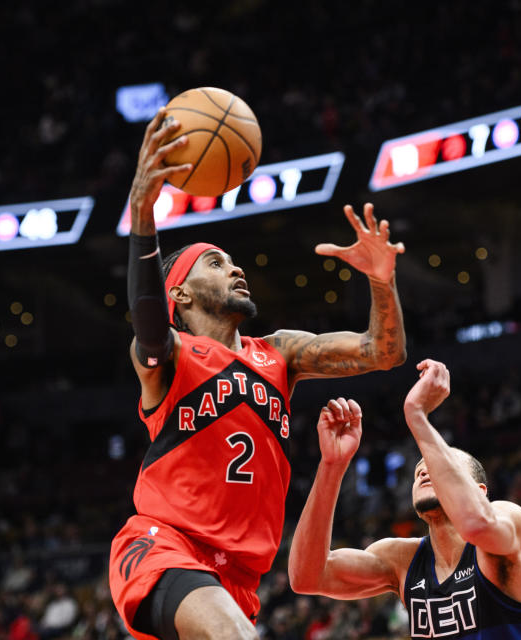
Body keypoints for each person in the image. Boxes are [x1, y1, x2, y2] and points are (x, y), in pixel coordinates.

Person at [109, 107, 408, 640]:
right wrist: (142, 208)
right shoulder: (167, 355)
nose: (237, 268)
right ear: (179, 292)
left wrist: (381, 283)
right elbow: (148, 317)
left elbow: (380, 352)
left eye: (234, 262)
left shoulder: (280, 354)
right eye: (216, 263)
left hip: (238, 580)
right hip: (165, 545)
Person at [288, 359, 521, 639]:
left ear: (480, 492)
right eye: (419, 471)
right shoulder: (402, 560)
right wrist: (332, 465)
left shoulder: (507, 518)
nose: (426, 470)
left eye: (442, 466)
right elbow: (306, 577)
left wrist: (417, 415)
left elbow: (477, 524)